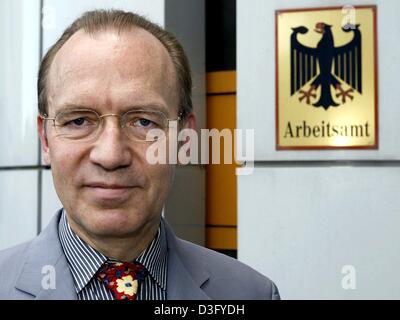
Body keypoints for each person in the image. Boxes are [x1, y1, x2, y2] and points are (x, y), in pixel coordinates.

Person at [0, 9, 279, 300]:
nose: (110, 156)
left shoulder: (251, 293)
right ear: (45, 139)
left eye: (144, 122)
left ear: (185, 140)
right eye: (78, 121)